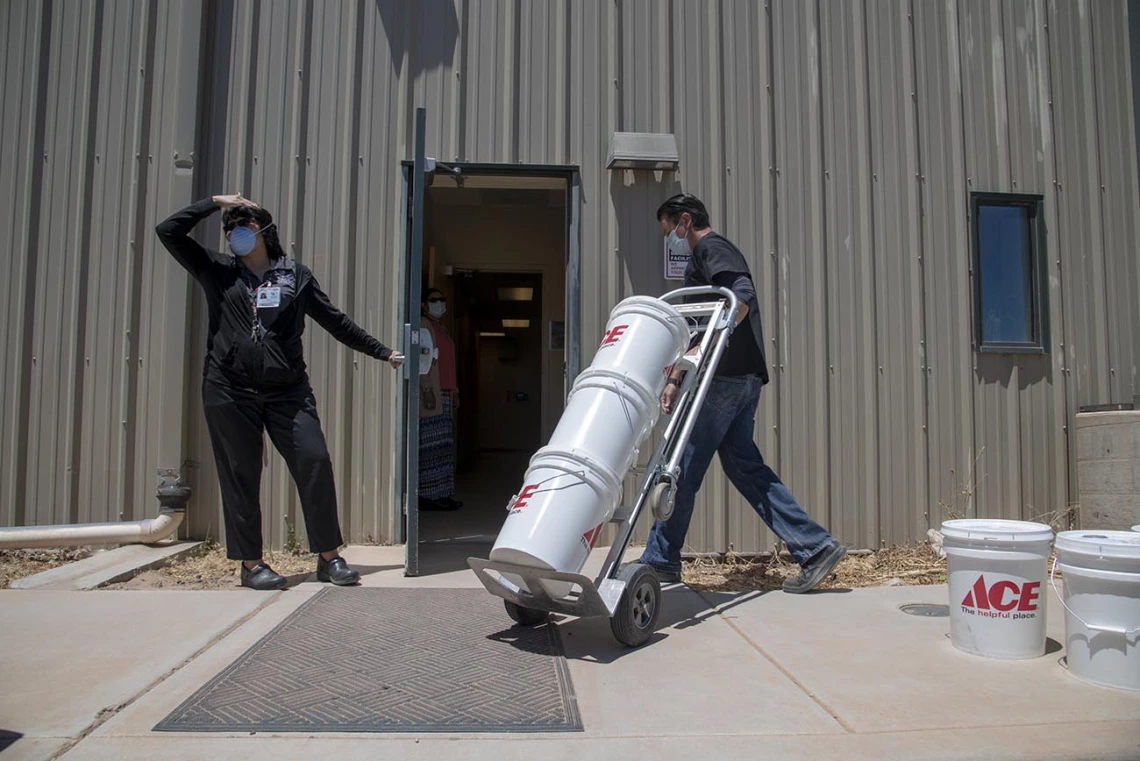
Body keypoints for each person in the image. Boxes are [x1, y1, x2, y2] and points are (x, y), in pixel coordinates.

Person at [155, 193, 404, 591]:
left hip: (288, 391)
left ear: (266, 231)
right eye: (230, 227)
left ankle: (329, 557)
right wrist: (216, 202)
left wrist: (381, 351)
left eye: (244, 225)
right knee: (241, 473)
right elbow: (167, 231)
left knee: (314, 460)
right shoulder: (216, 269)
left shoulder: (294, 275)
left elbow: (335, 321)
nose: (235, 232)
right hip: (228, 389)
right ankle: (251, 565)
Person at [638, 193, 846, 593]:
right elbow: (699, 328)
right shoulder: (705, 256)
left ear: (685, 221)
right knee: (745, 467)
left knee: (679, 467)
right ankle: (815, 548)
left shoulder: (712, 247)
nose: (671, 241)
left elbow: (741, 294)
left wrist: (711, 345)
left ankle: (661, 560)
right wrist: (676, 378)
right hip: (741, 378)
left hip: (724, 379)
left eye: (670, 231)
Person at [418, 288, 463, 511]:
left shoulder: (442, 329)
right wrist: (426, 389)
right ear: (425, 304)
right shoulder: (423, 325)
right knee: (431, 445)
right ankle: (429, 495)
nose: (439, 303)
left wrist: (454, 391)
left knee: (444, 445)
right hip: (433, 393)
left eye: (442, 298)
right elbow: (423, 360)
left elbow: (447, 363)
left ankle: (442, 493)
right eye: (434, 299)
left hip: (445, 392)